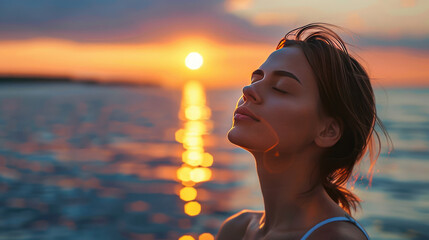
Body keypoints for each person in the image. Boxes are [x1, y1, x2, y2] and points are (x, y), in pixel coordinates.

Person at [216, 23, 390, 240]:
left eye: (280, 88)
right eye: (256, 79)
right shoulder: (236, 229)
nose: (248, 90)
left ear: (328, 131)